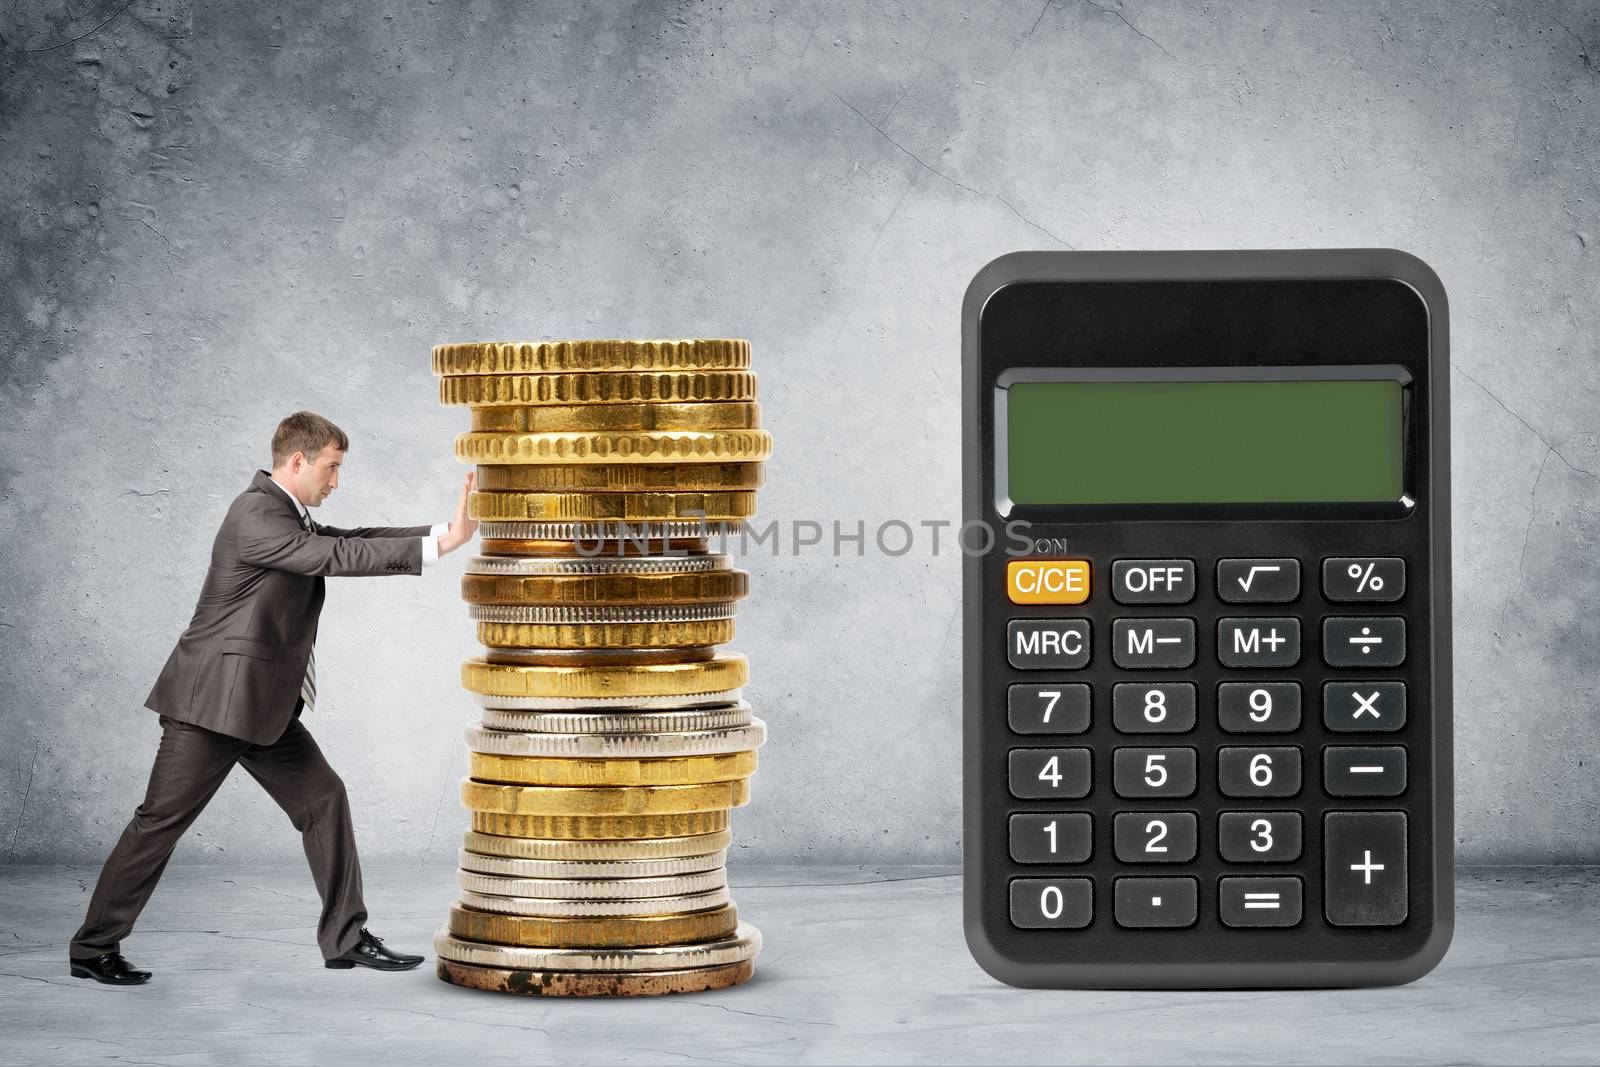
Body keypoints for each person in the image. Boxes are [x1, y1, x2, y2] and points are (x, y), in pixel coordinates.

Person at [68, 411, 478, 984]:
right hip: (211, 707)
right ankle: (92, 950)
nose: (336, 481)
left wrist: (443, 534)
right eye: (332, 468)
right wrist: (438, 549)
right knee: (158, 824)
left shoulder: (286, 515)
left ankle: (346, 938)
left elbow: (348, 540)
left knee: (324, 799)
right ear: (297, 461)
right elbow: (332, 558)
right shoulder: (255, 513)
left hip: (260, 706)